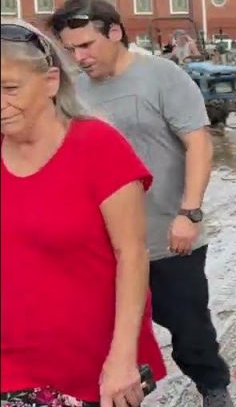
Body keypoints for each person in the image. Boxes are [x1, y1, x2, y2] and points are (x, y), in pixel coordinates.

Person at [49, 0, 234, 407]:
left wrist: (189, 212)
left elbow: (198, 143)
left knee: (189, 330)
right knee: (105, 335)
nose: (78, 57)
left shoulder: (162, 76)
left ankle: (213, 389)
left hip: (167, 237)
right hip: (103, 248)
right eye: (70, 49)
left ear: (114, 32)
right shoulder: (73, 92)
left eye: (86, 46)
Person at [0, 20, 167, 406]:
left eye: (10, 88)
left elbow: (133, 255)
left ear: (51, 81)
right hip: (10, 364)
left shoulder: (99, 148)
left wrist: (123, 358)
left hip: (90, 367)